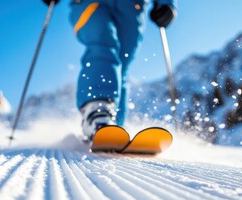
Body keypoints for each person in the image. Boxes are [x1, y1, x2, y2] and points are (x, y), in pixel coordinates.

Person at [42, 0, 176, 139]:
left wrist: (166, 3)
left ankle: (114, 127)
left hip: (131, 7)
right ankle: (96, 113)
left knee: (121, 65)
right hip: (90, 3)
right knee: (103, 42)